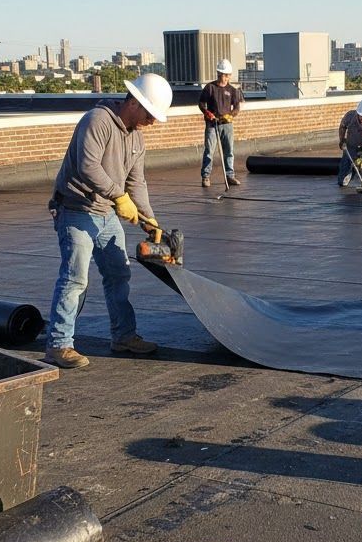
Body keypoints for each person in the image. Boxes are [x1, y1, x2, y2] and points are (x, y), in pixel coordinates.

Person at [43, 73, 173, 369]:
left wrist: (149, 218)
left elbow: (136, 182)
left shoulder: (136, 137)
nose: (152, 122)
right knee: (75, 278)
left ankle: (123, 336)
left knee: (118, 274)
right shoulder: (97, 120)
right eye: (150, 114)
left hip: (106, 213)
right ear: (134, 102)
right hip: (75, 209)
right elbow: (87, 166)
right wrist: (119, 196)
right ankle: (58, 345)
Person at [199, 58, 243, 188]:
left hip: (226, 124)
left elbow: (237, 107)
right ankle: (206, 176)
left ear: (229, 76)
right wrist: (207, 113)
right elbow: (201, 103)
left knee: (229, 150)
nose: (224, 78)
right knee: (209, 150)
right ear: (218, 74)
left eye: (226, 75)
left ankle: (230, 175)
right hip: (212, 124)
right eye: (222, 75)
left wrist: (231, 115)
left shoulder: (233, 90)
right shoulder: (210, 88)